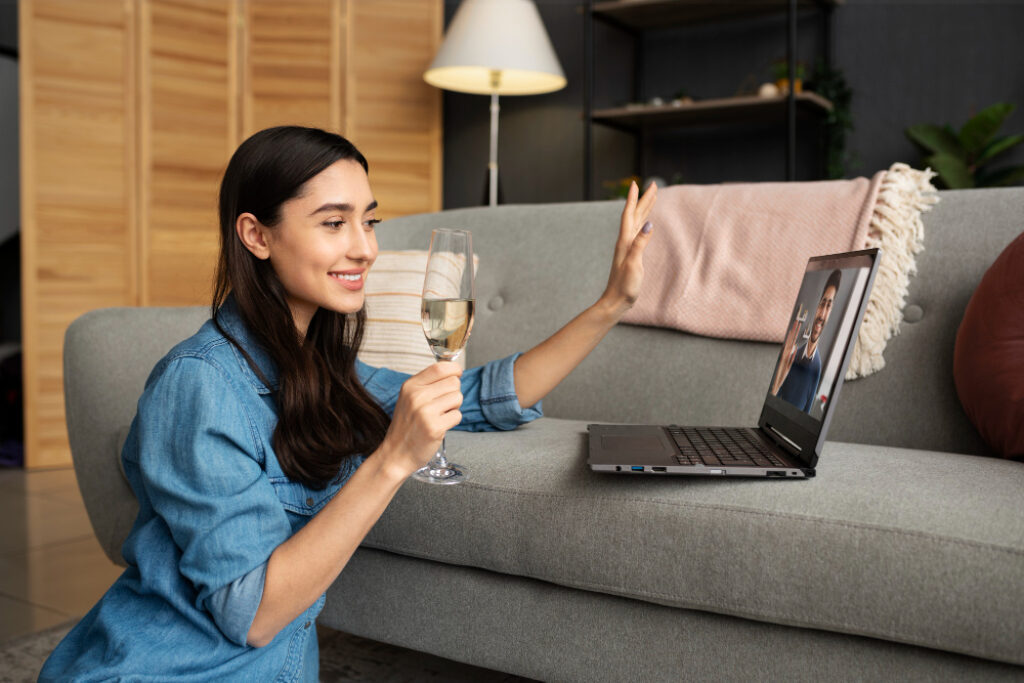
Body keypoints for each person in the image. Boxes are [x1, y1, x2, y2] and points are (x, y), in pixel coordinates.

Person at [40, 126, 657, 681]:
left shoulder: (323, 370)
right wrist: (392, 460)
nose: (364, 248)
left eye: (370, 221)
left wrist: (611, 304)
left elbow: (480, 396)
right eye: (334, 224)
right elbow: (252, 615)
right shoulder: (200, 386)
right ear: (256, 235)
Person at [770, 269, 842, 414]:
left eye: (828, 306)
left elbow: (805, 417)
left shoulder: (817, 368)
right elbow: (772, 402)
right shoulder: (792, 353)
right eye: (822, 304)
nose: (822, 314)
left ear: (831, 310)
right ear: (817, 307)